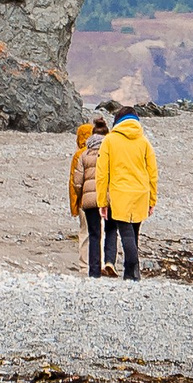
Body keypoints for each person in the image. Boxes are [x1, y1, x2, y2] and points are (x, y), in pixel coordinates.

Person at [96, 105, 158, 278]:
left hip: (119, 194)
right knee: (134, 233)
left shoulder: (109, 141)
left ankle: (132, 272)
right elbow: (153, 173)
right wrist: (152, 199)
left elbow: (102, 174)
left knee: (126, 234)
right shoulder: (144, 142)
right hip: (141, 194)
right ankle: (131, 275)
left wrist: (102, 202)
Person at [69, 110, 109, 277]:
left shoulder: (81, 155)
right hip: (105, 199)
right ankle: (103, 262)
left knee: (88, 234)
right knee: (104, 232)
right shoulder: (108, 151)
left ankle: (87, 267)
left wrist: (75, 204)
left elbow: (75, 182)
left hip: (86, 200)